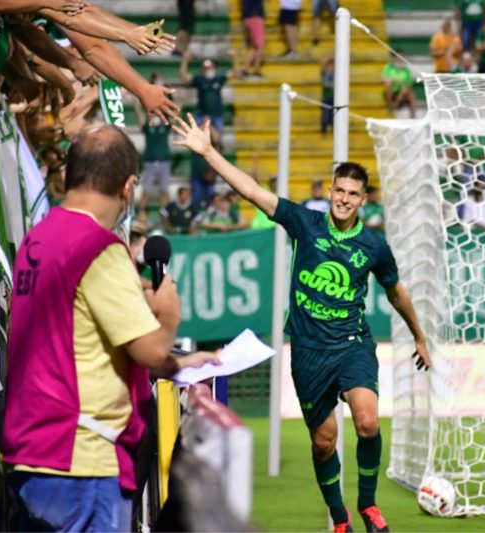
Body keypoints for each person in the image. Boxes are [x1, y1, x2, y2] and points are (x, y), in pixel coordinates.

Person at [172, 114, 431, 533]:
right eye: (339, 190)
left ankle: (368, 506)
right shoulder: (305, 224)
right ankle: (341, 517)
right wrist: (208, 152)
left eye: (353, 194)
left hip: (352, 344)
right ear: (330, 191)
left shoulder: (373, 246)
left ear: (364, 200)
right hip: (309, 353)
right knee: (323, 441)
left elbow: (396, 292)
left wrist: (419, 336)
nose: (344, 199)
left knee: (367, 420)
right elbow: (253, 191)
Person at [1, 125, 219, 532]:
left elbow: (78, 343)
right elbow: (149, 351)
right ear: (129, 186)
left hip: (31, 450)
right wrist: (168, 314)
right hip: (80, 457)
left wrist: (179, 363)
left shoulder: (37, 238)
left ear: (68, 175)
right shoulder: (98, 247)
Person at [179, 49, 240, 136]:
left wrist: (234, 58)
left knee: (217, 139)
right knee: (199, 138)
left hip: (216, 115)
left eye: (210, 67)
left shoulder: (219, 78)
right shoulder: (200, 79)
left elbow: (235, 73)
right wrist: (185, 60)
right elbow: (184, 76)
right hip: (201, 114)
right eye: (206, 68)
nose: (208, 69)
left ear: (214, 67)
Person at [137, 72, 173, 213]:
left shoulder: (165, 125)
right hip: (150, 162)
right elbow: (142, 114)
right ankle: (141, 214)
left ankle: (165, 215)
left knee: (164, 191)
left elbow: (171, 113)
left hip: (164, 161)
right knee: (146, 191)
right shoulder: (147, 127)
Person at [381, 52, 417, 118]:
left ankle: (413, 117)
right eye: (398, 58)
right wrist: (395, 80)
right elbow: (383, 78)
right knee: (389, 83)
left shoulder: (406, 70)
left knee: (410, 93)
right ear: (394, 58)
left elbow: (409, 83)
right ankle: (390, 106)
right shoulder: (389, 67)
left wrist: (402, 86)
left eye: (401, 58)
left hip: (402, 94)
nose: (400, 60)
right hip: (391, 92)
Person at [241, 0, 265, 79]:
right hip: (255, 16)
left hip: (250, 17)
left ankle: (245, 70)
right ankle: (256, 71)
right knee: (260, 46)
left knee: (255, 47)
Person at [321, 55, 335, 136]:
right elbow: (322, 63)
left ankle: (334, 132)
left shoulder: (336, 74)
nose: (330, 67)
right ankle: (324, 132)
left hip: (334, 99)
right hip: (326, 98)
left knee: (334, 117)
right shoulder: (325, 74)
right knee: (325, 117)